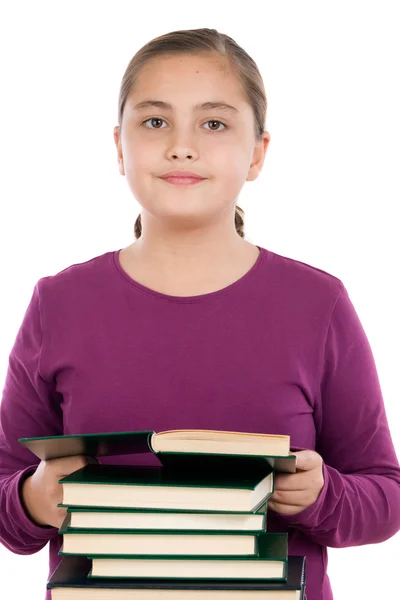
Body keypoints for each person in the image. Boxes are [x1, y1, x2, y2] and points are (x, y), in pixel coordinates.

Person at [0, 27, 399, 600]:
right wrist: (32, 498)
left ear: (258, 152)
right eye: (155, 121)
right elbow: (5, 494)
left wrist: (323, 494)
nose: (180, 146)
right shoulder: (57, 303)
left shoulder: (319, 304)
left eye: (214, 123)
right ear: (119, 147)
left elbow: (385, 495)